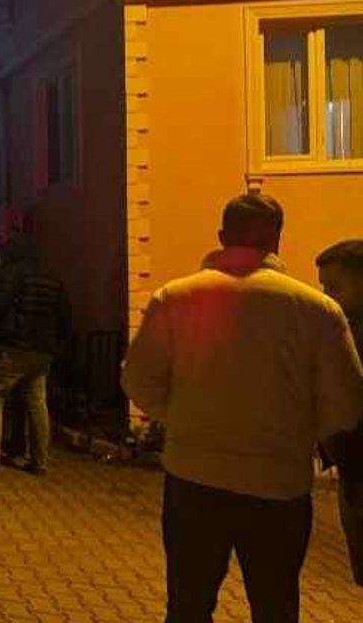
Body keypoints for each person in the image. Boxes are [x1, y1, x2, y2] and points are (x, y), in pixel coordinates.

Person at [123, 194, 363, 621]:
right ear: (277, 239)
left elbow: (138, 381)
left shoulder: (174, 297)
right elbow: (347, 404)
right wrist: (300, 431)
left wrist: (183, 419)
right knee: (275, 606)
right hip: (278, 485)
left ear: (222, 237)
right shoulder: (317, 310)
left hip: (193, 479)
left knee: (188, 605)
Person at [0, 242, 70, 474]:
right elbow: (65, 315)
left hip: (14, 346)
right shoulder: (53, 277)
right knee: (37, 402)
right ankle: (40, 461)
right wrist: (56, 343)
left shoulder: (13, 273)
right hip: (43, 350)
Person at [316, 240, 363, 586]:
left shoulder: (353, 334)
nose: (327, 298)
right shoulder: (346, 326)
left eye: (334, 287)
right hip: (352, 468)